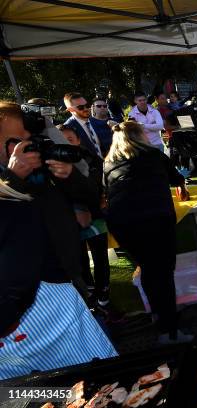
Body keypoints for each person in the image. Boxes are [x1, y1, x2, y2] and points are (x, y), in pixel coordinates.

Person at [0, 179, 117, 380]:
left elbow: (16, 289)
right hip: (11, 358)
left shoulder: (10, 210)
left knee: (100, 389)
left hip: (56, 329)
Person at [103, 121, 191, 344]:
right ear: (139, 135)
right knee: (163, 273)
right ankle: (169, 330)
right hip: (154, 221)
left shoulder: (109, 162)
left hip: (124, 225)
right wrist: (181, 184)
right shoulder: (153, 155)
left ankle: (159, 313)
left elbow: (106, 191)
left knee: (149, 271)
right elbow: (175, 177)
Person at [0, 102, 94, 299]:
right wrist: (14, 177)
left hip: (67, 270)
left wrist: (69, 176)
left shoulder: (41, 161)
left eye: (30, 139)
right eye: (18, 141)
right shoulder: (13, 173)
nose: (29, 146)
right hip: (29, 290)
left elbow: (91, 197)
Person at [58, 124, 111, 309]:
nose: (66, 144)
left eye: (70, 140)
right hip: (70, 222)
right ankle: (88, 293)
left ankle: (104, 293)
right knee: (79, 259)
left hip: (95, 216)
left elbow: (97, 186)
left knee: (100, 257)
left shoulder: (90, 158)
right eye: (61, 140)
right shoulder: (52, 164)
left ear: (78, 140)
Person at [64, 92, 103, 158]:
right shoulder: (68, 129)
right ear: (70, 110)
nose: (86, 109)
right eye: (80, 107)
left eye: (87, 105)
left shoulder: (95, 121)